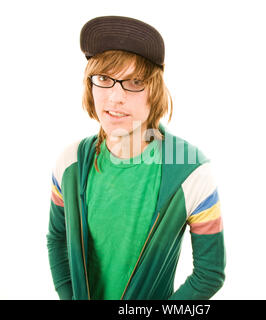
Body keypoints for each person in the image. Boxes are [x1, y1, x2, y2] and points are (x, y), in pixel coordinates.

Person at [47, 15, 226, 300]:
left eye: (134, 82)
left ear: (153, 92)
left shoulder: (190, 170)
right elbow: (57, 239)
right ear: (90, 85)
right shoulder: (70, 163)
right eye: (104, 79)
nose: (115, 98)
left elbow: (210, 273)